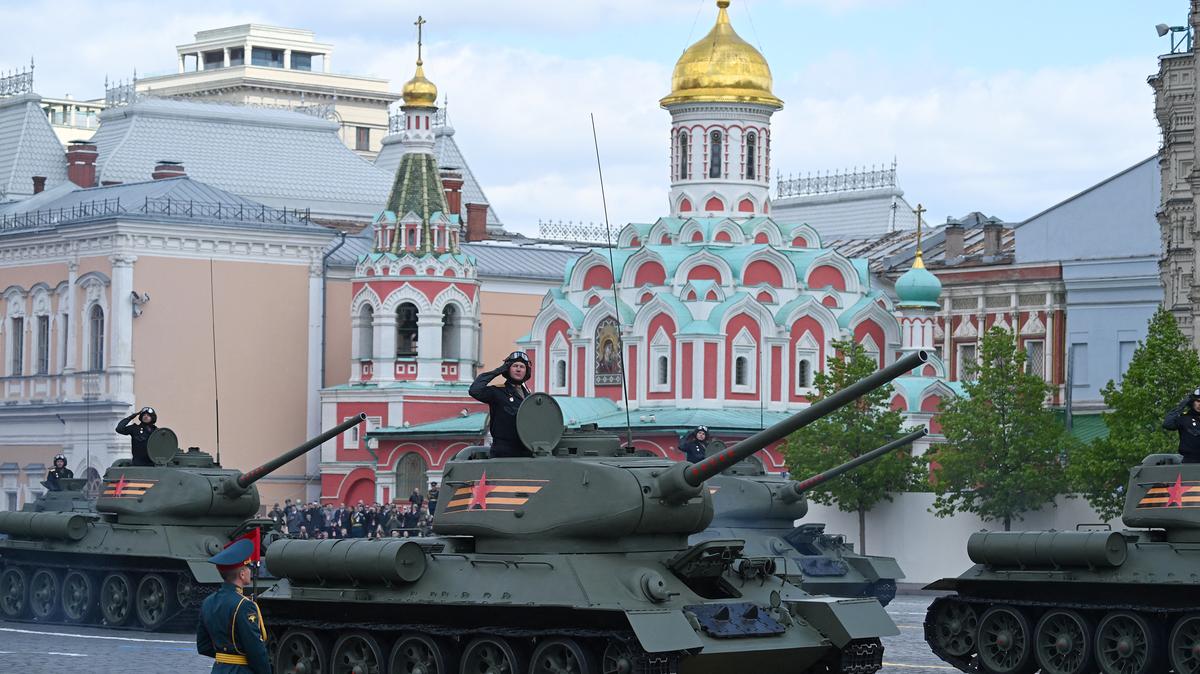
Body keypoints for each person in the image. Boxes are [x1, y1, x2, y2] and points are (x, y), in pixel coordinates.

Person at [195, 539, 270, 674]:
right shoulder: (245, 605)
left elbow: (203, 646)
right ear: (242, 574)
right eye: (248, 567)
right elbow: (256, 652)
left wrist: (226, 658)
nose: (250, 572)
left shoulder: (208, 602)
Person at [469, 351, 533, 458]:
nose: (518, 369)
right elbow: (475, 390)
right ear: (507, 368)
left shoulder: (529, 396)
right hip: (503, 452)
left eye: (522, 367)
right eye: (515, 366)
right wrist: (497, 371)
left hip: (525, 450)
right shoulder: (498, 392)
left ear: (526, 371)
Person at [1163, 387, 1200, 463]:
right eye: (1198, 401)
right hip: (1190, 461)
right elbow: (1167, 424)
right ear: (1192, 402)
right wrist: (1181, 406)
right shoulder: (1184, 418)